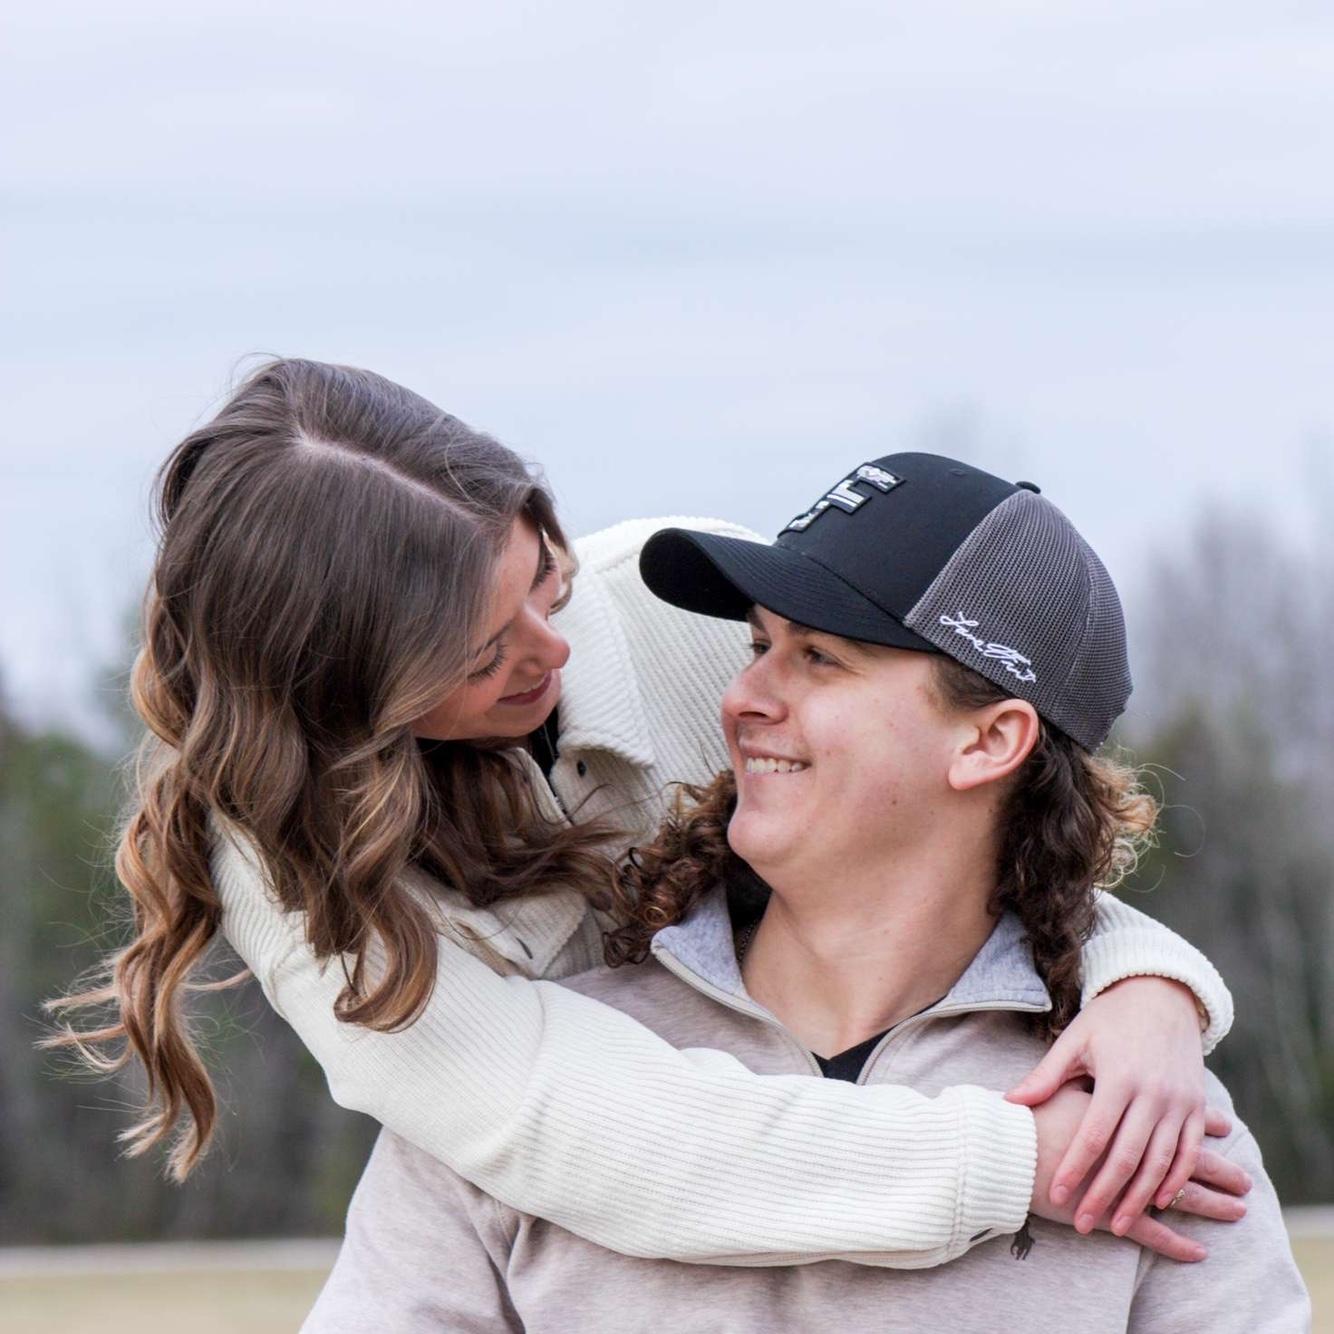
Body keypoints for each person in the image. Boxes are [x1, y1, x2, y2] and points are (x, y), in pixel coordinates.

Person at [50, 362, 1237, 1268]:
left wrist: (1145, 985)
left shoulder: (674, 616)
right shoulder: (292, 868)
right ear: (344, 699)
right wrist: (1019, 1159)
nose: (552, 650)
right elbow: (572, 1124)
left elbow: (959, 817)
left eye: (544, 579)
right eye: (480, 653)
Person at [304, 454, 1309, 1332]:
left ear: (987, 740)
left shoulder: (1144, 1124)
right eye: (758, 646)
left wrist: (1151, 986)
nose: (743, 697)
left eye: (819, 657)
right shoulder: (531, 1085)